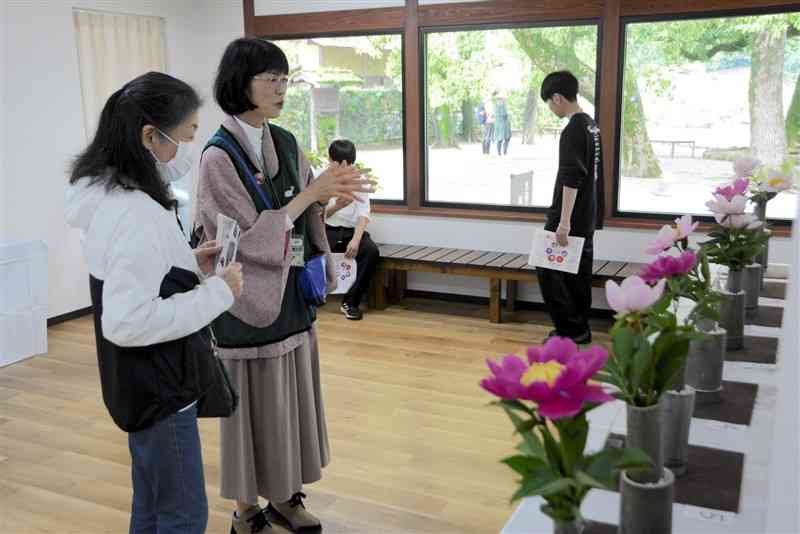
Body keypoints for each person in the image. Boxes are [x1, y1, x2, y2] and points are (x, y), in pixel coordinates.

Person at [196, 38, 374, 534]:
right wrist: (310, 197)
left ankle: (286, 496)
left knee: (289, 402)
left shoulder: (288, 141)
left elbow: (308, 207)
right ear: (240, 84)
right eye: (270, 79)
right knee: (250, 410)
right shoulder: (217, 157)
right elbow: (241, 237)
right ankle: (246, 507)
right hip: (247, 300)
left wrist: (330, 208)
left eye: (284, 79)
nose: (281, 89)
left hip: (290, 294)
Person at [65, 71, 244, 534]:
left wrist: (187, 261)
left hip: (136, 385)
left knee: (150, 505)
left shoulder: (110, 197)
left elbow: (139, 277)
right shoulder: (136, 213)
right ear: (150, 136)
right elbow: (126, 321)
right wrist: (218, 292)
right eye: (186, 135)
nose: (188, 150)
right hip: (161, 389)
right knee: (183, 514)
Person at [537, 70, 604, 345]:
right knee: (577, 274)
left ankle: (569, 330)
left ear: (557, 98)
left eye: (550, 103)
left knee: (547, 268)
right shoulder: (591, 125)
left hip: (571, 217)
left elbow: (571, 177)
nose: (551, 108)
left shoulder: (573, 129)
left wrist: (563, 222)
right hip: (586, 215)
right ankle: (579, 329)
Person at [323, 139, 380, 320]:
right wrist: (336, 207)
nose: (344, 168)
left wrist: (356, 240)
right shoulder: (321, 179)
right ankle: (310, 298)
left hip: (350, 232)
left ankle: (350, 302)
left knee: (371, 251)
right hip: (327, 229)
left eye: (348, 164)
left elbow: (364, 214)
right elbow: (316, 215)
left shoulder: (360, 181)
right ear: (331, 160)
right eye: (339, 163)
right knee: (306, 250)